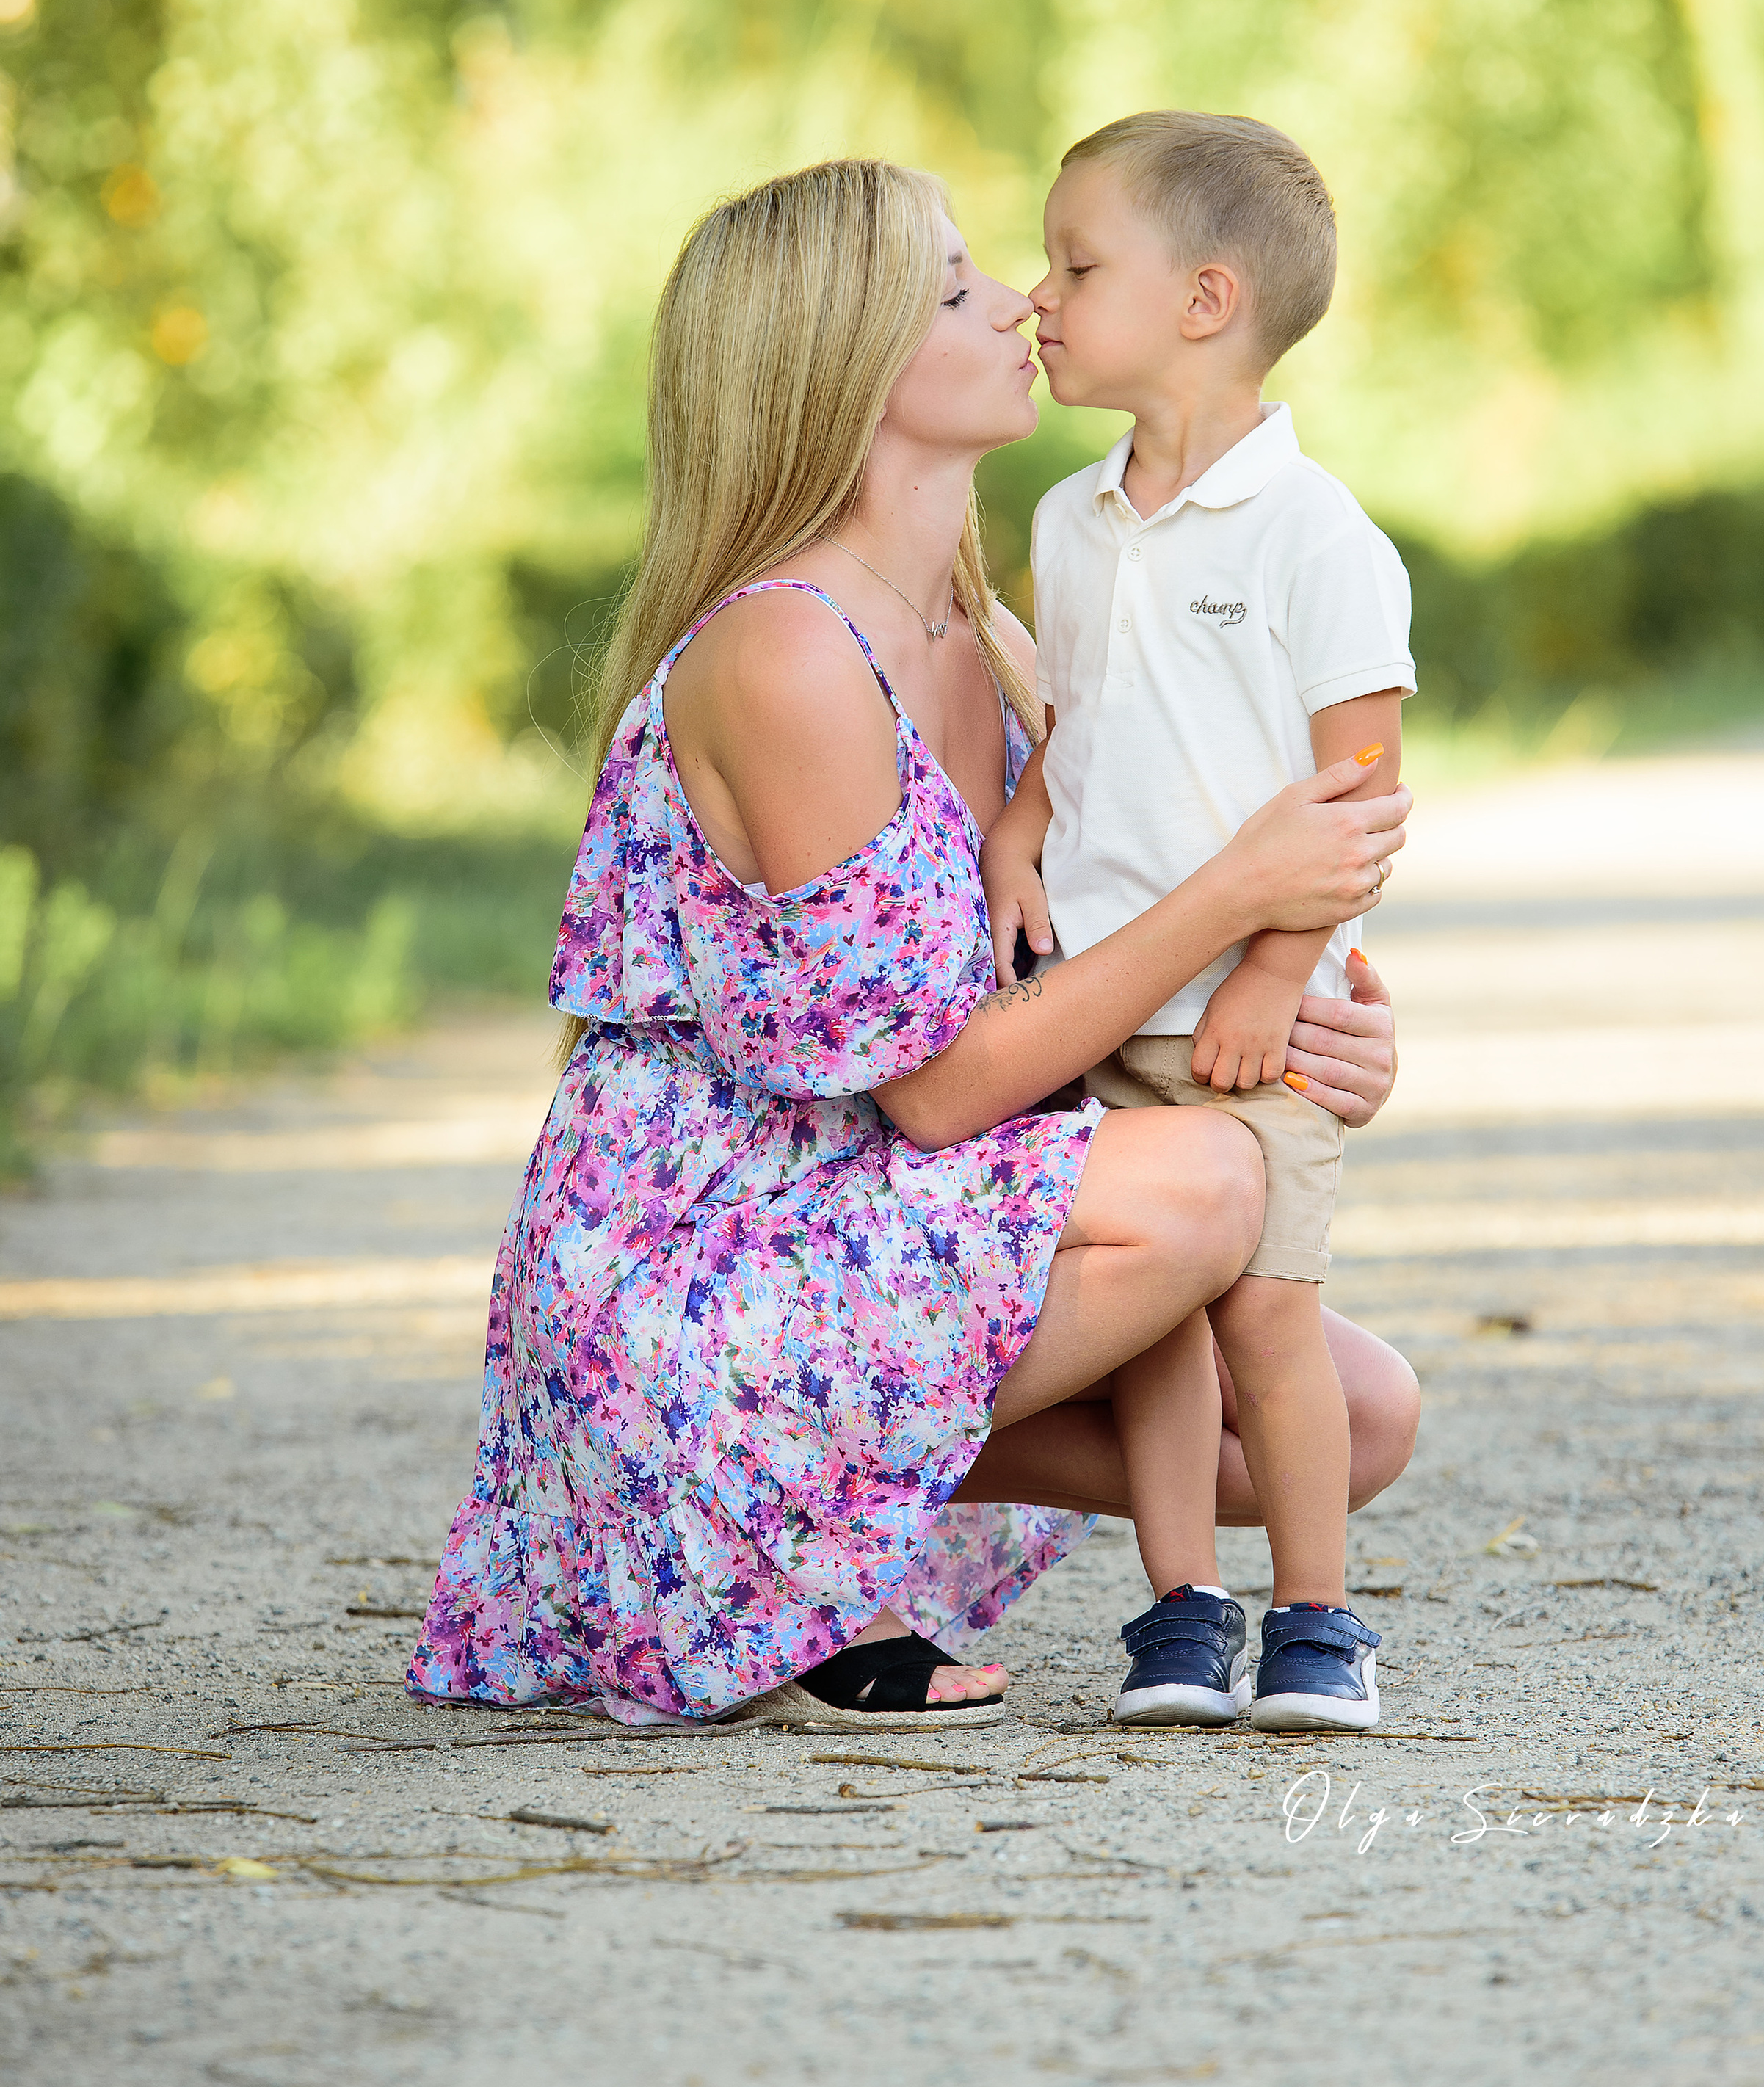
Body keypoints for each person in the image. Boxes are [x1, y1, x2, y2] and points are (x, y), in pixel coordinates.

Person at [407, 156, 1415, 1735]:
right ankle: (744, 1519)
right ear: (850, 367)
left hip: (866, 1216)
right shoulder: (786, 653)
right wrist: (1232, 896)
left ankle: (788, 1508)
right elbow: (940, 1095)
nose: (1019, 298)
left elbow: (1069, 954)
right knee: (1208, 1184)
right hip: (708, 1264)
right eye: (958, 288)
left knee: (1350, 1416)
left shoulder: (988, 629)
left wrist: (1288, 1011)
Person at [982, 112, 1414, 1734]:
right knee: (1154, 1337)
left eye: (1077, 265)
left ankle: (1318, 1622)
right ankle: (1178, 1612)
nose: (1038, 296)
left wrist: (1282, 976)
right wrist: (1024, 832)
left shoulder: (1318, 542)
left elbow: (1358, 798)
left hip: (1248, 1018)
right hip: (1102, 1002)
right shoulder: (1068, 523)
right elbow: (1073, 728)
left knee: (1269, 1324)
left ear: (1204, 301)